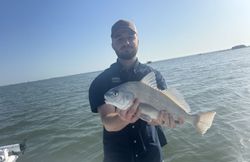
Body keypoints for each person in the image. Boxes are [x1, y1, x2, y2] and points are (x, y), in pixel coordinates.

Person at [88, 19, 184, 162]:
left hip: (151, 153)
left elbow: (156, 118)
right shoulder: (101, 81)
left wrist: (163, 120)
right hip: (117, 155)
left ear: (138, 40)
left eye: (130, 37)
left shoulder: (155, 76)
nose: (125, 42)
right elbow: (107, 121)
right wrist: (122, 118)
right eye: (119, 38)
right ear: (112, 44)